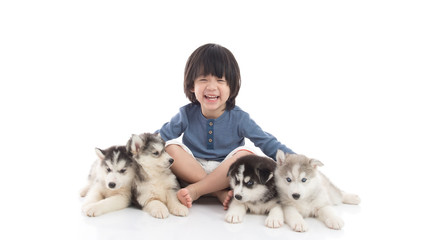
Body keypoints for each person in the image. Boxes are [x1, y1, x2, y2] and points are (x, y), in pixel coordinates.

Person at [157, 43, 294, 209]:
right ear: (192, 85)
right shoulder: (186, 114)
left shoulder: (239, 118)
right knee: (169, 148)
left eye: (220, 80)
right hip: (192, 170)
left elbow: (266, 142)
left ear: (231, 86)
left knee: (245, 154)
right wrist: (134, 150)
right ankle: (217, 193)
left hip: (228, 173)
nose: (212, 87)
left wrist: (295, 161)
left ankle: (197, 190)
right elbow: (159, 138)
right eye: (203, 79)